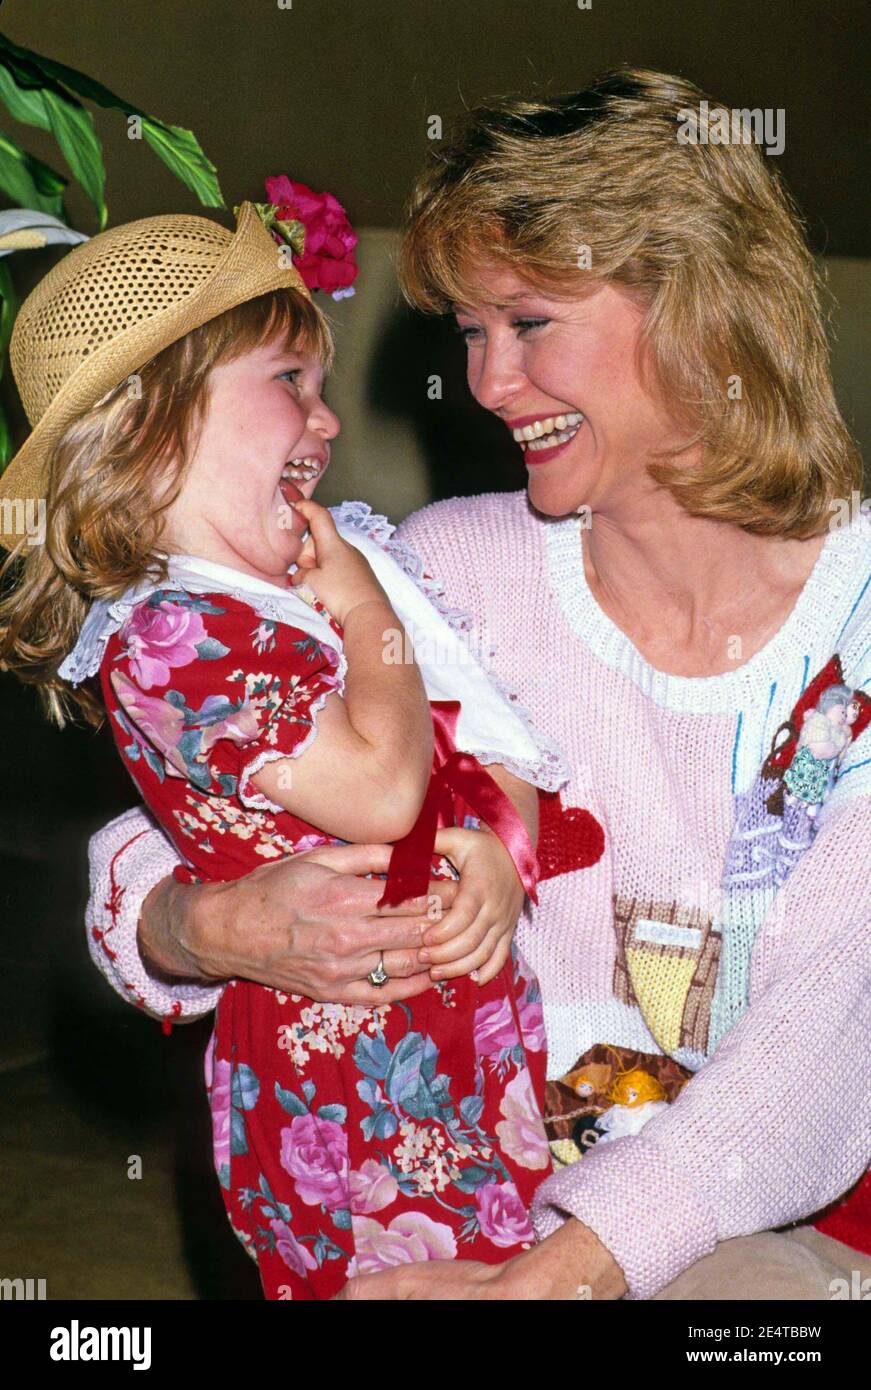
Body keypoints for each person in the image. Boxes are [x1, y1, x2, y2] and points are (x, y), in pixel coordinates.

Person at [34, 67, 871, 1300]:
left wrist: (556, 1278)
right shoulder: (446, 568)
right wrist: (203, 926)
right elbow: (194, 794)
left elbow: (823, 1046)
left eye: (528, 324)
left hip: (768, 1217)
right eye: (471, 332)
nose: (484, 383)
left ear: (699, 306)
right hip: (463, 1183)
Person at [0, 197, 576, 1298]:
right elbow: (379, 789)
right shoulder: (175, 633)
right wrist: (370, 617)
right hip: (349, 1076)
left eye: (321, 387)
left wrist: (499, 850)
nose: (327, 421)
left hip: (454, 1043)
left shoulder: (292, 589)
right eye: (288, 383)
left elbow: (475, 732)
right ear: (141, 426)